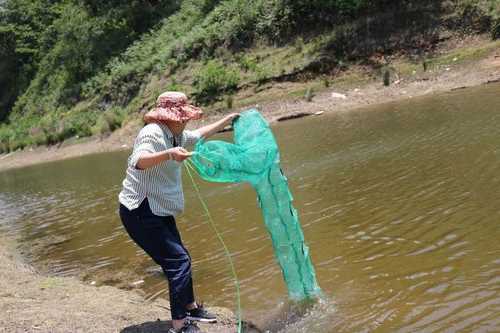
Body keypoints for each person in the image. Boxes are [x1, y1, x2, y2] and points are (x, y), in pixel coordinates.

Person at [118, 91, 239, 333]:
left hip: (157, 208)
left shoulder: (177, 134)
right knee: (178, 262)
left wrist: (227, 120)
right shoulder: (152, 132)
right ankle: (180, 325)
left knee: (182, 256)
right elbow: (138, 161)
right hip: (140, 210)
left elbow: (198, 135)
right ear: (169, 117)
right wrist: (168, 155)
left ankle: (192, 307)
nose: (186, 121)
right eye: (182, 117)